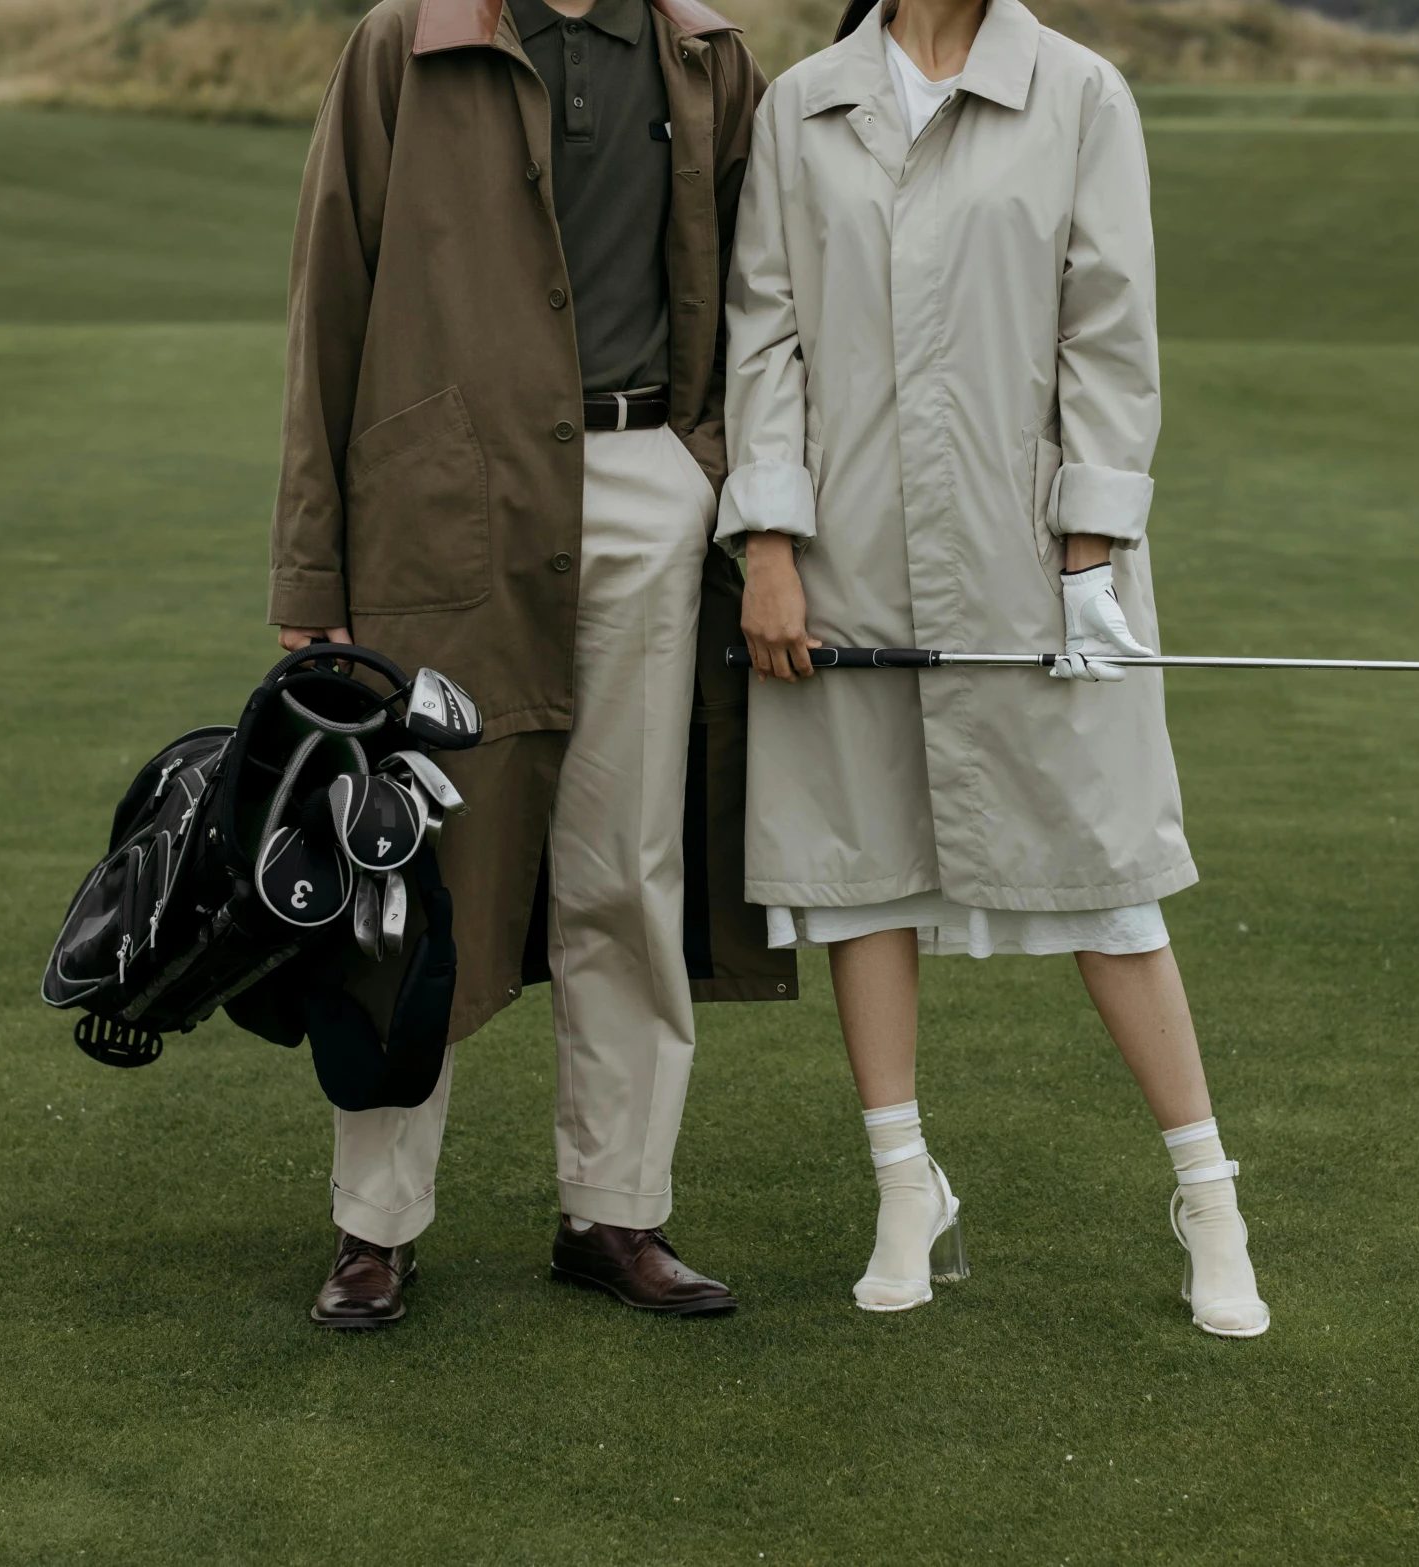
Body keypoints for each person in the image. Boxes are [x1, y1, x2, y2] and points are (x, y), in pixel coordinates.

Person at [719, 0, 1268, 1336]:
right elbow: (765, 338)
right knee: (860, 873)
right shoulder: (800, 104)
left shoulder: (1080, 94)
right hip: (843, 556)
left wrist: (1088, 558)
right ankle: (903, 1185)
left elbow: (1109, 335)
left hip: (1032, 559)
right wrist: (768, 542)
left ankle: (1208, 1196)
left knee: (1108, 871)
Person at [270, 0, 794, 1328]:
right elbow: (328, 288)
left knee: (626, 864)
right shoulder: (407, 40)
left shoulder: (706, 53)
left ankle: (614, 1210)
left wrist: (716, 475)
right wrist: (307, 571)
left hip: (647, 489)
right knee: (410, 874)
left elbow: (764, 298)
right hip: (441, 505)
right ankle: (371, 1228)